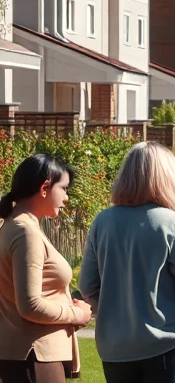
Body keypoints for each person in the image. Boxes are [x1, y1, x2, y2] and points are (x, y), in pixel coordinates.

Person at [78, 142, 175, 383]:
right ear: (167, 177)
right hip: (169, 341)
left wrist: (117, 311)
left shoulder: (103, 221)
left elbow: (88, 286)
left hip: (116, 348)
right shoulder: (171, 222)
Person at [0, 155, 92, 383]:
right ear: (44, 188)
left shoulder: (17, 226)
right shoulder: (25, 232)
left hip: (29, 355)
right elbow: (30, 305)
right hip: (35, 356)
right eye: (64, 189)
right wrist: (77, 314)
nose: (66, 198)